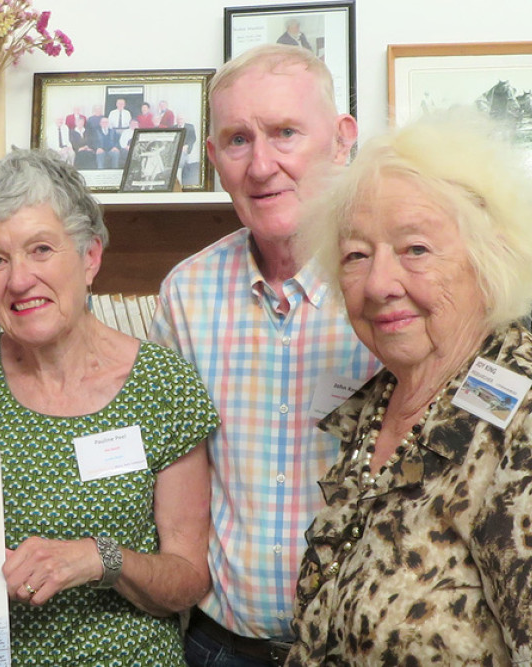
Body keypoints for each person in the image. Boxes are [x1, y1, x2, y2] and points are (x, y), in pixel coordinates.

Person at [0, 149, 220, 666]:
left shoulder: (165, 388)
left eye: (40, 249)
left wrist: (103, 560)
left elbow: (188, 579)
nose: (19, 279)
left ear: (90, 256)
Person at [149, 44, 381, 666]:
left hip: (359, 649)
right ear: (213, 160)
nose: (262, 165)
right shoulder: (186, 294)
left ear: (341, 141)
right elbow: (169, 467)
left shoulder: (394, 289)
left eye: (285, 133)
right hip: (219, 646)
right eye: (236, 140)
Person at [287, 111, 532, 665]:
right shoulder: (378, 404)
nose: (378, 284)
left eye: (415, 249)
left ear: (487, 257)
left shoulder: (522, 421)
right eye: (356, 255)